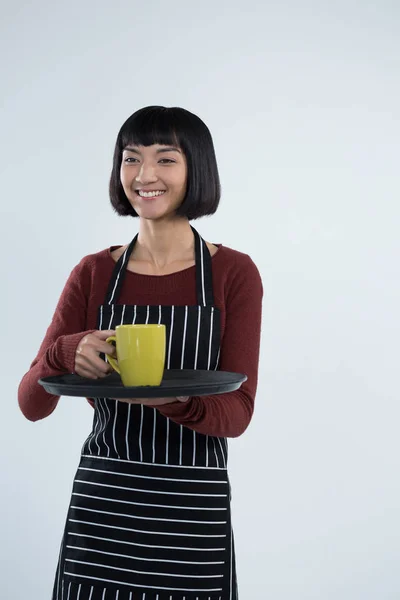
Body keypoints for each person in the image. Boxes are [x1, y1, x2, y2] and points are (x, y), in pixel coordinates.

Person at [18, 105, 263, 600]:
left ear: (197, 170)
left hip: (190, 513)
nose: (145, 175)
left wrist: (164, 401)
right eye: (131, 159)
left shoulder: (234, 273)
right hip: (103, 508)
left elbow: (238, 413)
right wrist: (67, 352)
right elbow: (30, 403)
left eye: (165, 160)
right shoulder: (93, 272)